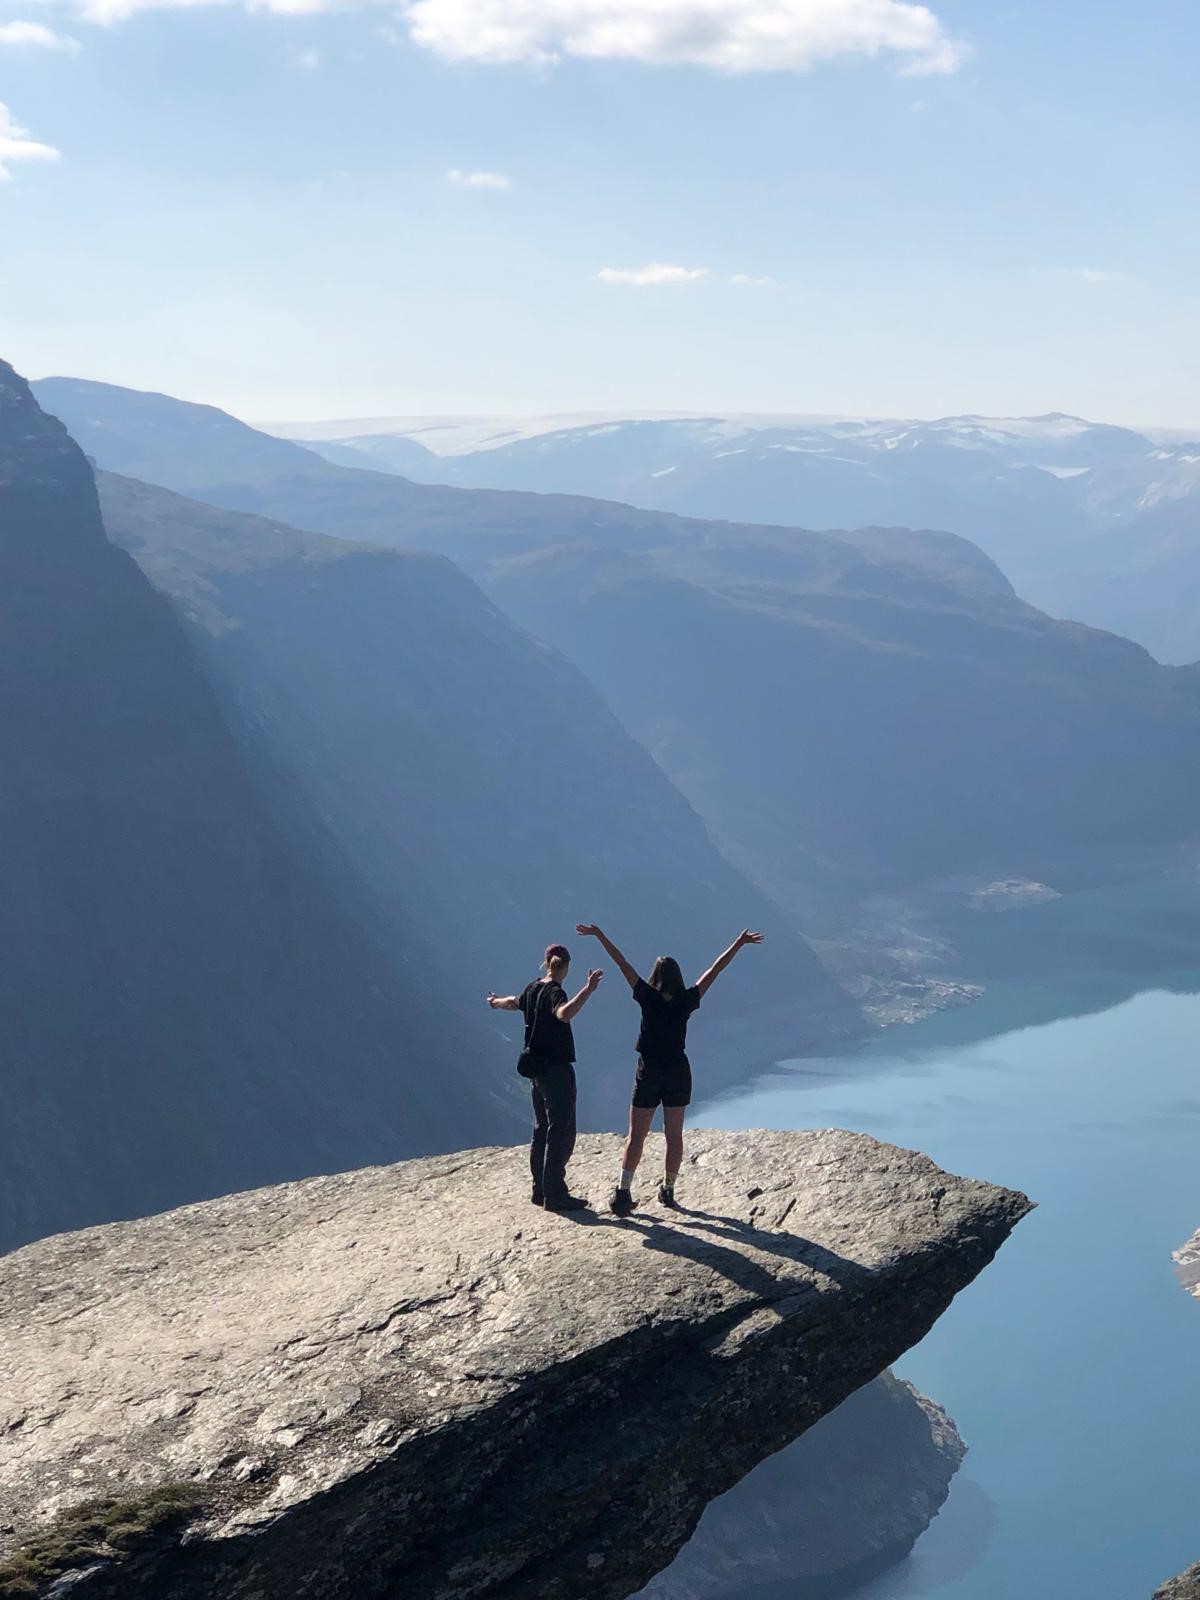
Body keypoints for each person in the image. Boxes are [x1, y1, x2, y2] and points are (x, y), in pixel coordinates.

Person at [575, 923, 763, 1216]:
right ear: (678, 978)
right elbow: (715, 969)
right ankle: (668, 1188)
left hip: (648, 1070)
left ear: (654, 977)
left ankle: (624, 1192)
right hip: (678, 1071)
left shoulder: (646, 997)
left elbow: (621, 963)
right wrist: (738, 943)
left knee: (636, 1135)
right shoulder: (687, 1000)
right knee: (674, 1135)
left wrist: (599, 935)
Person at [487, 943, 602, 1212]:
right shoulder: (554, 993)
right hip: (557, 1070)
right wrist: (587, 991)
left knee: (541, 1129)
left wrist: (494, 1003)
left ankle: (539, 1190)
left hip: (535, 1068)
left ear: (546, 962)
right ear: (566, 966)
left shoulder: (533, 987)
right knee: (560, 1129)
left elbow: (513, 1003)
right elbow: (563, 1014)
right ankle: (555, 1194)